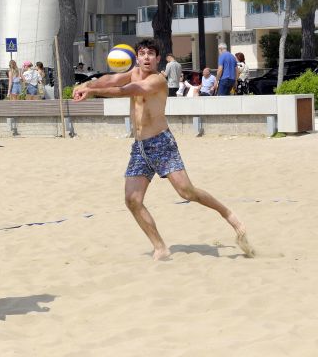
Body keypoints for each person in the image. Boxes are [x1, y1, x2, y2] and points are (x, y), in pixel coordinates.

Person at [73, 38, 254, 261]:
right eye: (142, 53)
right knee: (132, 200)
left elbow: (126, 90)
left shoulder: (158, 80)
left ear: (159, 58)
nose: (146, 57)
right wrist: (87, 84)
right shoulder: (132, 72)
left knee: (187, 192)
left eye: (151, 53)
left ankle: (228, 214)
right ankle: (160, 247)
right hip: (140, 147)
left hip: (161, 143)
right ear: (136, 57)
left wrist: (92, 92)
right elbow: (110, 78)